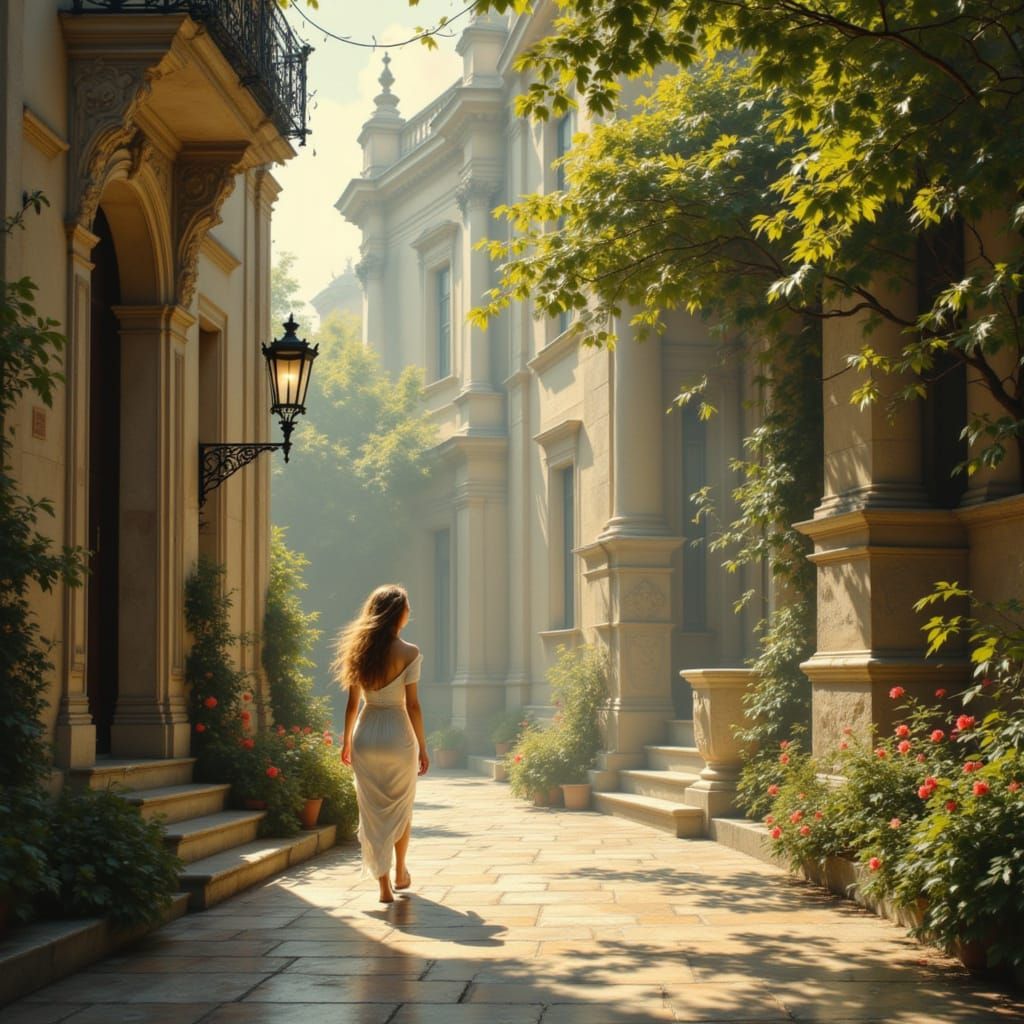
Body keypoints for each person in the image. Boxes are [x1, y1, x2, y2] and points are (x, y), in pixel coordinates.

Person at [335, 584, 429, 903]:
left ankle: (384, 887)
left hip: (366, 733)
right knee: (401, 807)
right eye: (407, 607)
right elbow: (413, 705)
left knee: (372, 811)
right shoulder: (410, 652)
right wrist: (423, 747)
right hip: (398, 734)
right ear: (398, 613)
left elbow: (352, 705)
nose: (409, 612)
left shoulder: (358, 652)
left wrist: (346, 743)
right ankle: (401, 870)